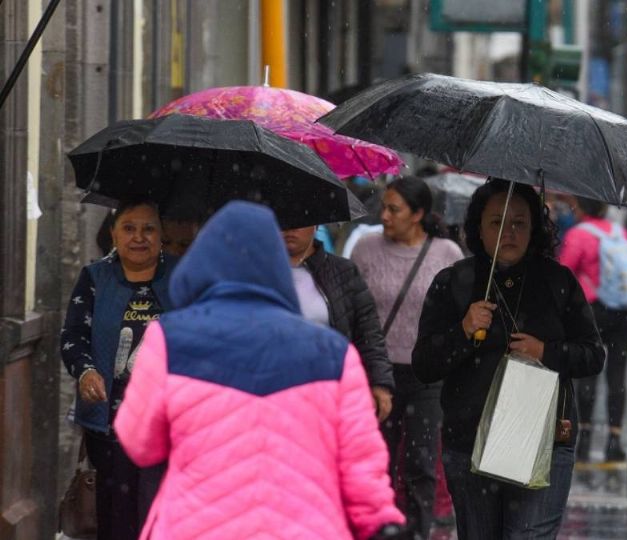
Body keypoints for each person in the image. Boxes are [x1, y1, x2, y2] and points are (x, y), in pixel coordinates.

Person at [114, 201, 405, 539]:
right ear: (276, 268)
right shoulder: (334, 354)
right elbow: (360, 463)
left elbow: (140, 443)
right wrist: (379, 521)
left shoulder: (169, 339)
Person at [412, 179, 605, 539]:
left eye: (519, 222)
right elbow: (424, 363)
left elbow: (593, 355)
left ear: (534, 228)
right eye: (496, 222)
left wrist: (546, 352)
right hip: (469, 440)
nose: (509, 232)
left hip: (542, 439)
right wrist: (463, 332)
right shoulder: (454, 282)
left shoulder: (557, 282)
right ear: (478, 228)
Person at [351, 177, 463, 540]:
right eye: (383, 206)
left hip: (426, 373)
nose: (383, 215)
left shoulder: (446, 254)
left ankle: (416, 531)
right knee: (376, 462)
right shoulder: (366, 249)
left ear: (417, 214)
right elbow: (353, 311)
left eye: (393, 209)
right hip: (375, 372)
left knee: (420, 462)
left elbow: (458, 312)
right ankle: (380, 529)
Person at [61, 198, 177, 540]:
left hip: (165, 420)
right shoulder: (95, 278)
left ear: (161, 236)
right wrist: (85, 372)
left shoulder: (182, 277)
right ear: (113, 234)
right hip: (110, 419)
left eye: (148, 229)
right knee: (115, 515)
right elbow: (73, 335)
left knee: (159, 511)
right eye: (129, 228)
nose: (138, 237)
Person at [282, 224, 395, 421]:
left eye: (300, 221)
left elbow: (367, 331)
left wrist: (380, 382)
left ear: (316, 226)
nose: (290, 228)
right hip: (275, 390)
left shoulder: (342, 272)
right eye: (283, 220)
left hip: (330, 391)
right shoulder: (258, 271)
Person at [558, 196, 627, 462]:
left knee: (590, 372)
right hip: (625, 311)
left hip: (593, 310)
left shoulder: (578, 234)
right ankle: (615, 440)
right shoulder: (619, 231)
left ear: (579, 207)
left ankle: (585, 438)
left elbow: (564, 274)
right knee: (617, 371)